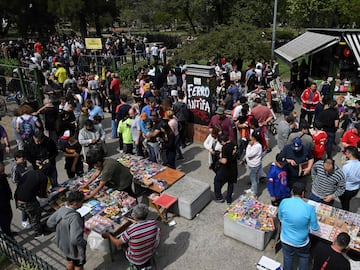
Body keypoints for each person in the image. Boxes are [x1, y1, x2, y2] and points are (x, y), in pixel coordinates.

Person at [102, 204, 160, 270]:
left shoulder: (131, 230)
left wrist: (109, 235)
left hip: (136, 259)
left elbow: (118, 243)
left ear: (135, 217)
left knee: (123, 242)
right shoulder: (153, 223)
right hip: (150, 251)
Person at [278, 182, 319, 270]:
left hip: (285, 239)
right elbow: (315, 228)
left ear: (292, 191)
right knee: (304, 257)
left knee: (288, 258)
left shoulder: (284, 202)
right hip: (302, 243)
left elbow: (280, 218)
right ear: (303, 193)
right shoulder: (309, 208)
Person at [47, 191, 87, 270]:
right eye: (81, 202)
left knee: (69, 261)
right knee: (78, 265)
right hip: (74, 248)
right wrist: (83, 243)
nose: (82, 204)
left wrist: (61, 229)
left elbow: (50, 223)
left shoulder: (62, 209)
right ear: (75, 203)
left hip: (63, 243)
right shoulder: (75, 217)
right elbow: (75, 239)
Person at [14, 164, 52, 238]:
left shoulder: (30, 172)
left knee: (31, 213)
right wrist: (48, 195)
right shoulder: (43, 177)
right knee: (35, 216)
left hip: (18, 199)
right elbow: (42, 195)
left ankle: (34, 225)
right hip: (27, 201)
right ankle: (39, 233)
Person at [339, 146, 360, 211]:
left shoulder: (346, 166)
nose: (345, 154)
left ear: (350, 154)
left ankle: (345, 212)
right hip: (356, 188)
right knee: (347, 200)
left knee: (344, 202)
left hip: (346, 189)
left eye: (346, 153)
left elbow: (342, 179)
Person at [245, 131, 263, 197]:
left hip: (254, 166)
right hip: (254, 164)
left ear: (254, 138)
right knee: (255, 178)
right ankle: (252, 189)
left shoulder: (257, 146)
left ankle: (255, 193)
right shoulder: (256, 145)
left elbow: (249, 155)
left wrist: (249, 145)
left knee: (253, 180)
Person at [0, 162, 14, 238]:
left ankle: (8, 232)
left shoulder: (2, 176)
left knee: (9, 217)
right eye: (2, 169)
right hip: (2, 205)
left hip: (5, 201)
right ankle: (9, 237)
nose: (4, 170)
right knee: (4, 220)